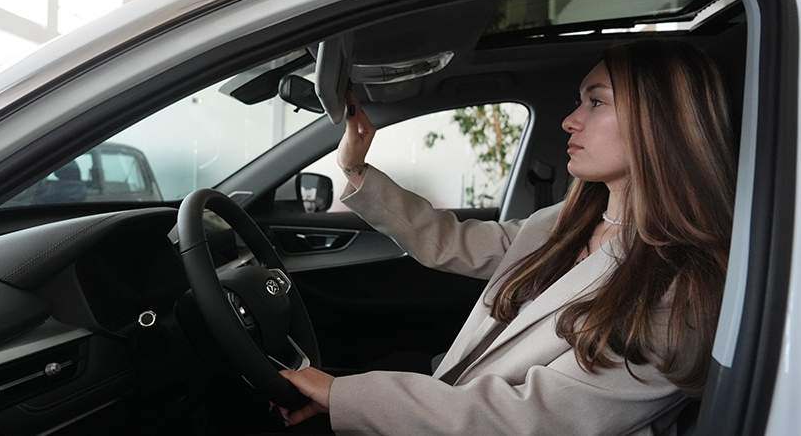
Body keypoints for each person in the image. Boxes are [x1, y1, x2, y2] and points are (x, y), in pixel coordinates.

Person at [276, 39, 737, 435]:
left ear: (659, 120)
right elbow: (451, 242)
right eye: (579, 101)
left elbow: (531, 420)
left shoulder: (679, 291)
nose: (569, 120)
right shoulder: (564, 223)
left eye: (596, 102)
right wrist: (354, 168)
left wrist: (344, 395)